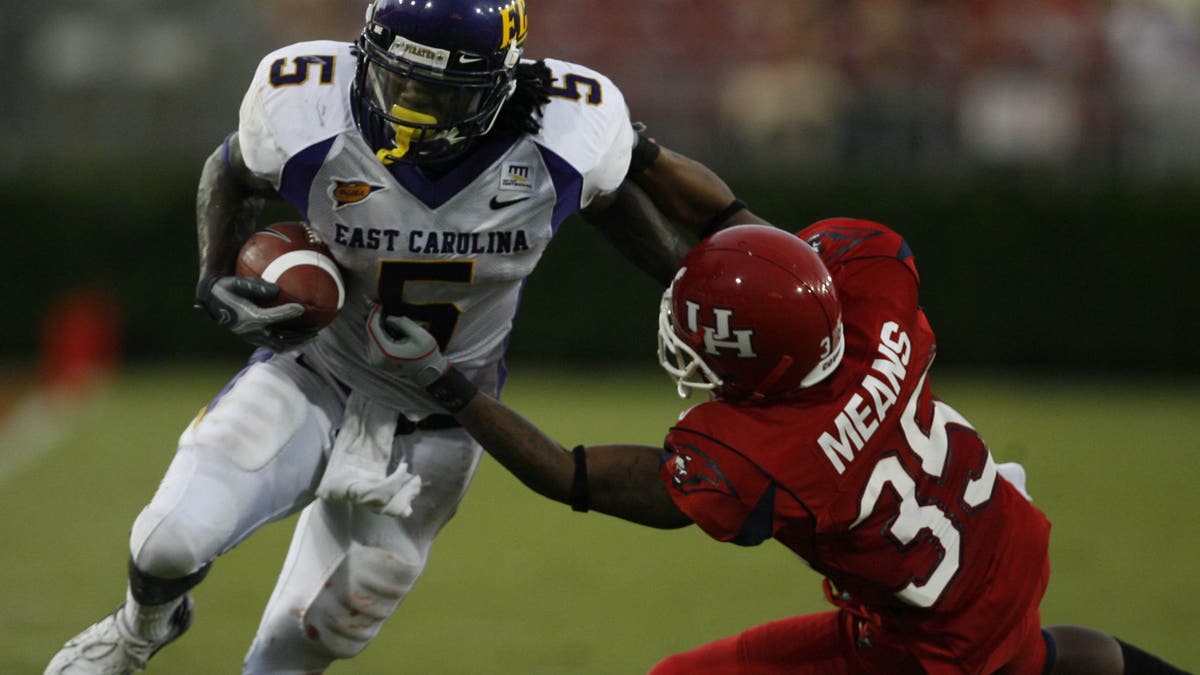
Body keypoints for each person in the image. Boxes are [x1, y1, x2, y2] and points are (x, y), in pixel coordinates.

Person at [44, 1, 766, 673]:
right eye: (397, 80)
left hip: (443, 417)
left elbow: (614, 202)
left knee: (301, 645)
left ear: (499, 85)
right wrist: (212, 276)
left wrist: (685, 278)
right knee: (166, 540)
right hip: (314, 372)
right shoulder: (309, 102)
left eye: (438, 93)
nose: (409, 107)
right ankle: (141, 628)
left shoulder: (567, 129)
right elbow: (233, 170)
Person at [370, 219, 1192, 674]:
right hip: (996, 551)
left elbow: (571, 475)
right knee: (1032, 659)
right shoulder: (868, 299)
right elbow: (743, 227)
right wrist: (640, 158)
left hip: (924, 647)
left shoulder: (760, 454)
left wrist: (448, 381)